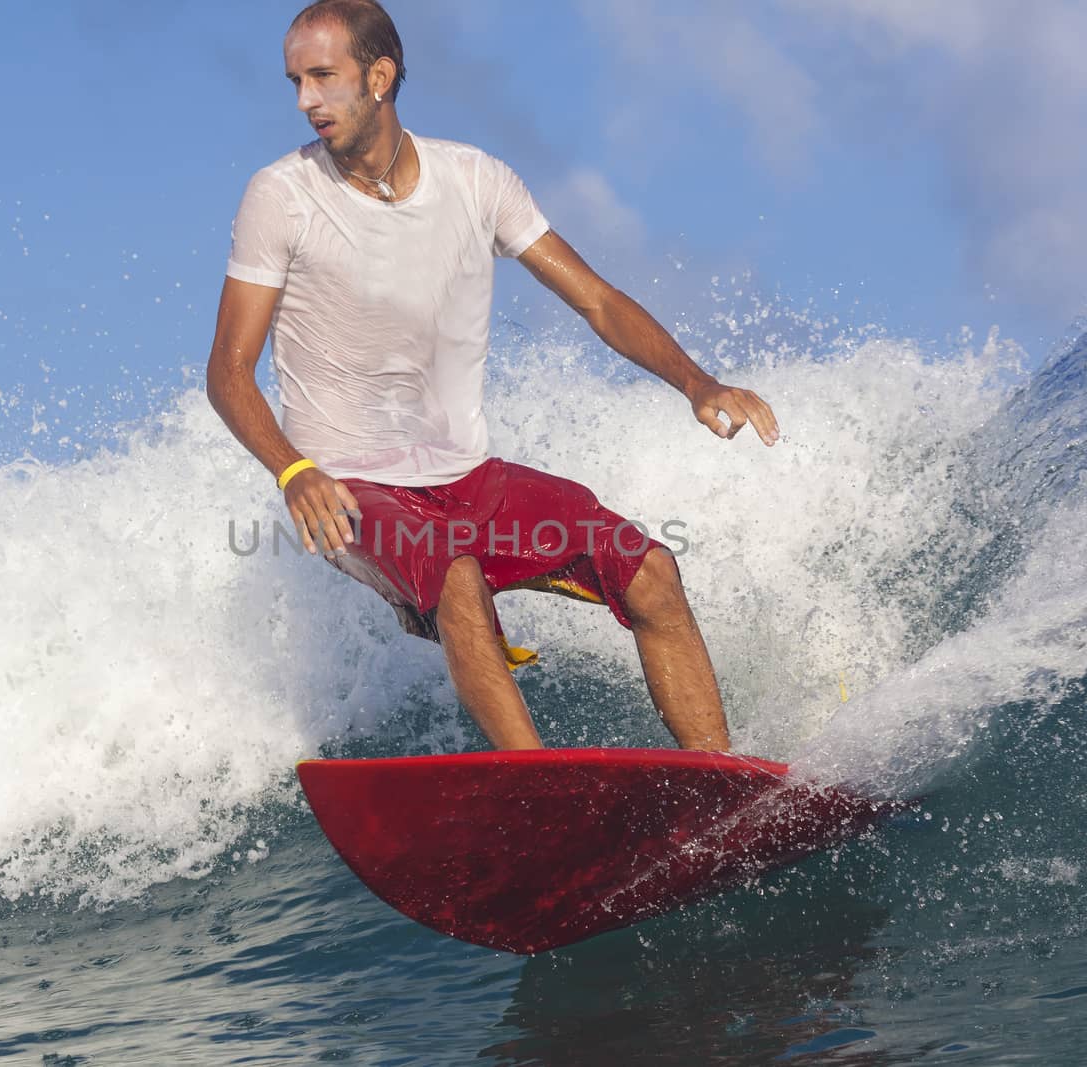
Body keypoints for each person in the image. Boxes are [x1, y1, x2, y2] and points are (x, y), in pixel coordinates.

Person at [207, 0, 779, 753]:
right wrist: (293, 471)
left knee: (651, 571)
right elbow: (228, 371)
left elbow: (598, 301)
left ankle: (719, 782)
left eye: (323, 77)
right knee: (455, 576)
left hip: (470, 481)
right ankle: (536, 785)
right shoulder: (282, 196)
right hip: (349, 489)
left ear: (379, 77)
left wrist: (698, 383)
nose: (305, 100)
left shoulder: (475, 181)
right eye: (295, 82)